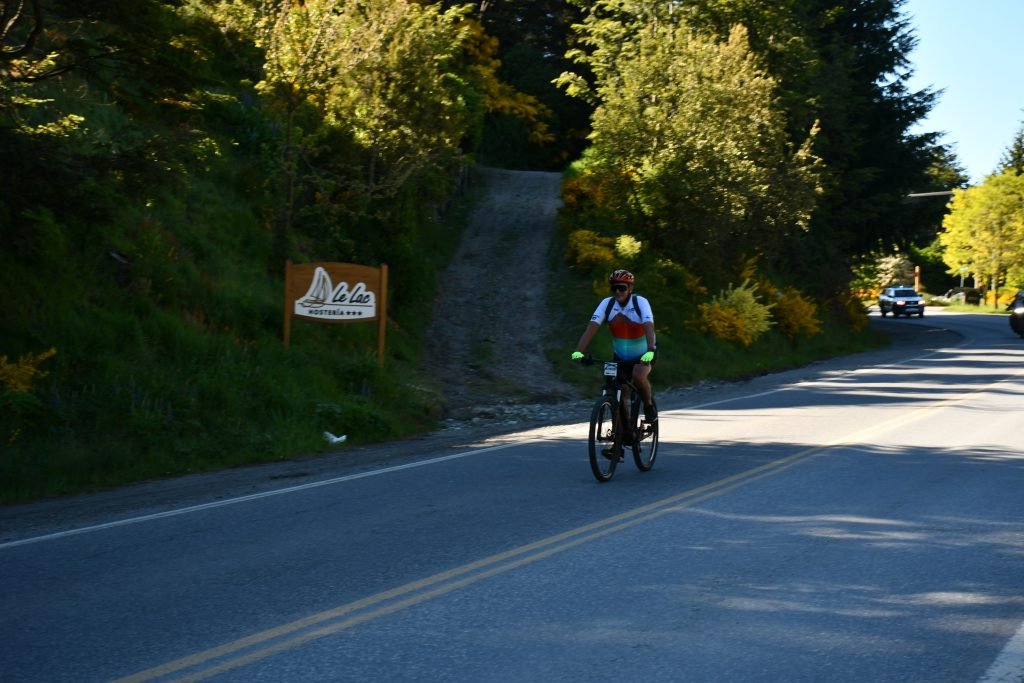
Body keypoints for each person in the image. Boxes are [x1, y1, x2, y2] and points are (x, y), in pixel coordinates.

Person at [571, 269, 657, 424]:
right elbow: (591, 328)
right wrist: (579, 351)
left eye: (622, 288)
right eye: (614, 288)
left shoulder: (640, 302)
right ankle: (619, 439)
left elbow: (648, 325)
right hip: (620, 357)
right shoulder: (607, 304)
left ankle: (649, 406)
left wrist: (651, 349)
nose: (617, 291)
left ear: (630, 288)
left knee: (638, 376)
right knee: (617, 390)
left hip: (643, 354)